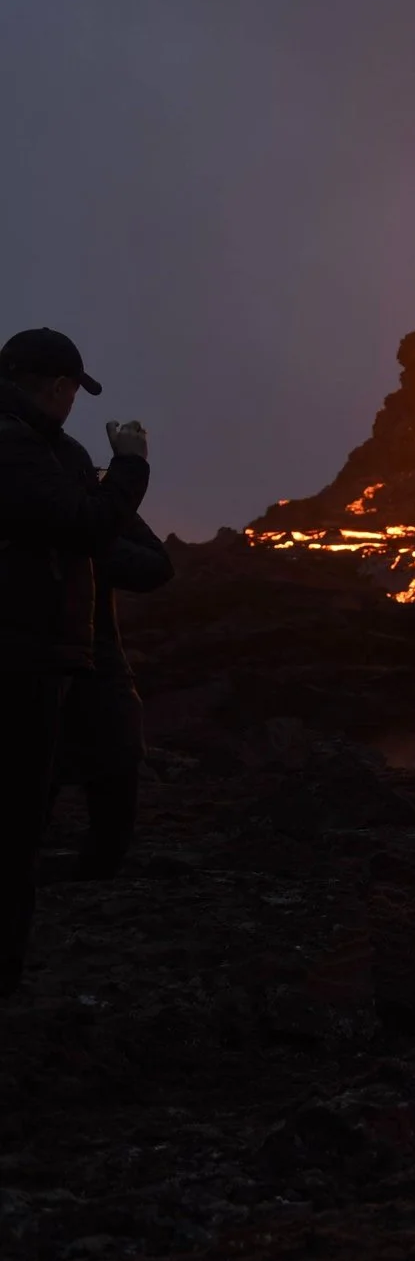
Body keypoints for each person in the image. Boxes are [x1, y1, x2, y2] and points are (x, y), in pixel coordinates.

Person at [0, 328, 149, 996]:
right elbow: (83, 527)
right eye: (71, 390)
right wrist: (130, 468)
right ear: (59, 386)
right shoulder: (17, 446)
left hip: (40, 657)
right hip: (21, 659)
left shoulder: (38, 447)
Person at [59, 511, 174, 879]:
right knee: (113, 792)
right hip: (87, 678)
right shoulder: (68, 523)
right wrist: (118, 497)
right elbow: (154, 567)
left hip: (33, 676)